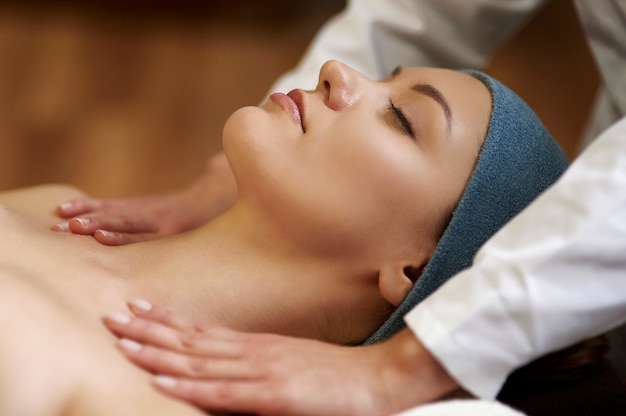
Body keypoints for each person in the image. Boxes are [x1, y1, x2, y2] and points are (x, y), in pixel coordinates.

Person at [55, 1, 626, 415]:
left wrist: (415, 366)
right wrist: (226, 173)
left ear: (412, 271)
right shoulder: (65, 211)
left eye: (402, 120)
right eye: (385, 81)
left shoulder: (113, 393)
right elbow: (428, 14)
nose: (336, 72)